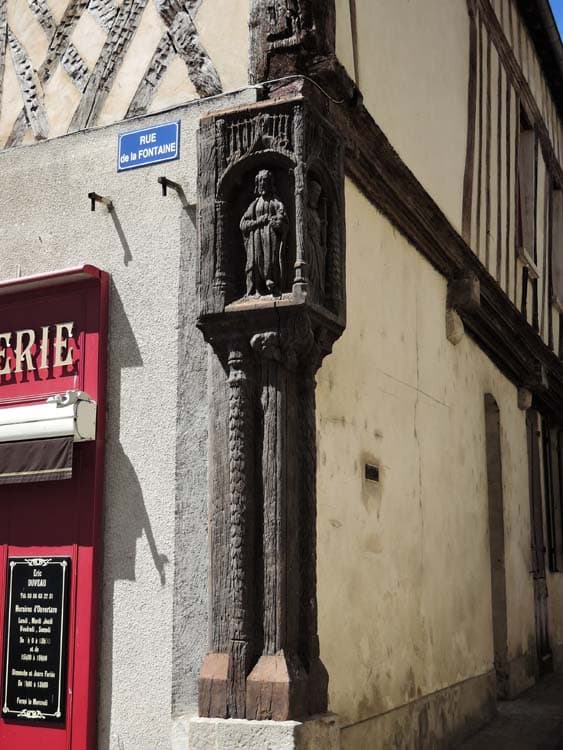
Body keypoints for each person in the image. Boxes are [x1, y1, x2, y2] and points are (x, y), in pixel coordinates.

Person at [240, 170, 289, 296]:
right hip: (256, 237)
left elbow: (283, 220)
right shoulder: (254, 204)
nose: (262, 183)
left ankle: (272, 283)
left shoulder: (276, 202)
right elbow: (243, 224)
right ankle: (257, 289)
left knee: (271, 259)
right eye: (260, 181)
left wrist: (275, 222)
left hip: (271, 237)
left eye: (265, 180)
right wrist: (258, 222)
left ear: (270, 183)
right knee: (256, 261)